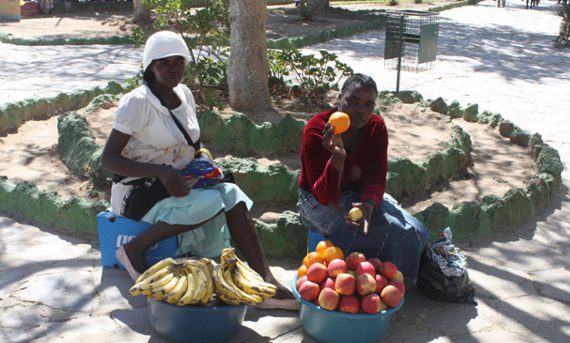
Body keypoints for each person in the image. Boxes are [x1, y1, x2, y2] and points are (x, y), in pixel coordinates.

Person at [101, 31, 295, 309]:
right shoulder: (138, 102)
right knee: (214, 201)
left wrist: (204, 162)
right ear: (150, 67)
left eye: (178, 61)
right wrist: (160, 171)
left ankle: (266, 282)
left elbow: (193, 144)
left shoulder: (185, 95)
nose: (172, 69)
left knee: (233, 195)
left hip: (180, 182)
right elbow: (109, 159)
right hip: (139, 190)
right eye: (164, 63)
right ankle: (134, 250)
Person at [297, 73, 430, 285]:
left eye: (369, 105)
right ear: (339, 98)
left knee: (414, 231)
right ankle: (359, 284)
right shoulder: (317, 129)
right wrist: (337, 159)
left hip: (358, 196)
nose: (360, 110)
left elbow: (376, 177)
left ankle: (396, 284)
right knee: (367, 231)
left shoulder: (376, 127)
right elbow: (323, 194)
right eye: (353, 101)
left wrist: (369, 203)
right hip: (315, 200)